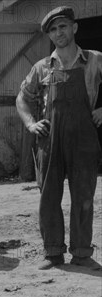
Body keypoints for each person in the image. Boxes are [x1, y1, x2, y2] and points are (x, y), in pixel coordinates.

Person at [16, 6, 102, 270]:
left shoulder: (95, 59)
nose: (58, 33)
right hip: (50, 139)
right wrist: (31, 124)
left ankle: (82, 253)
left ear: (74, 28)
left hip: (84, 138)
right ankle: (53, 253)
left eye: (63, 26)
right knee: (49, 196)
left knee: (84, 194)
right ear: (50, 36)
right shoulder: (42, 67)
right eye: (53, 30)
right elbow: (22, 98)